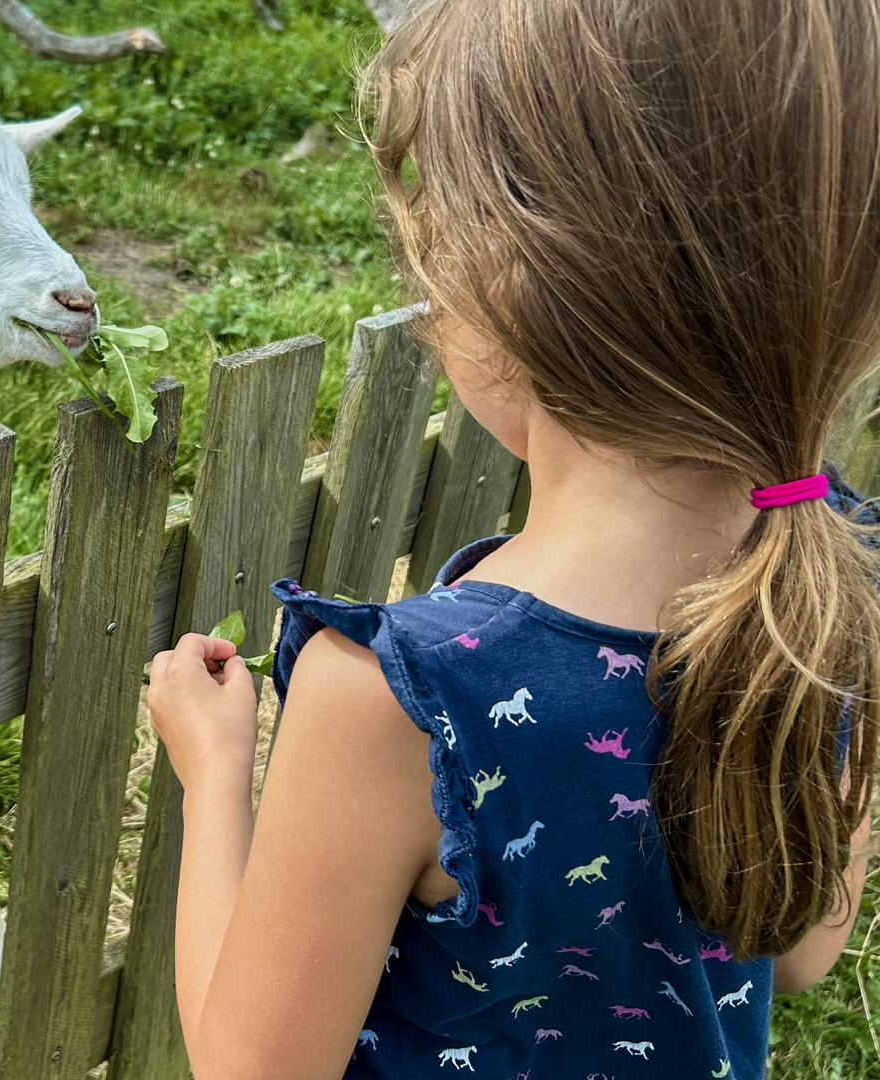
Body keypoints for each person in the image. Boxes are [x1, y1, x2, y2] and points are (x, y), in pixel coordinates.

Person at [145, 1, 880, 1077]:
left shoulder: (402, 697)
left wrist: (214, 772)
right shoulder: (832, 588)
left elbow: (247, 1067)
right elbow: (805, 948)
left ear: (505, 285)